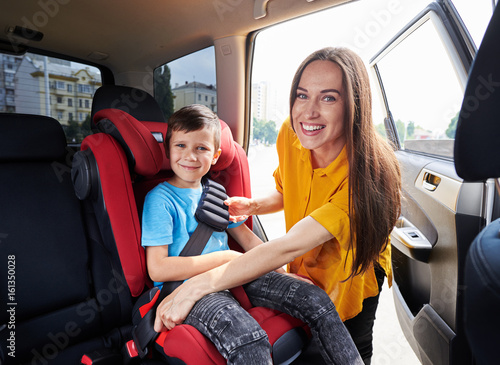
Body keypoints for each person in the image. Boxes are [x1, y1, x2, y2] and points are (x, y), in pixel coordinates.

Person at [154, 48, 402, 364]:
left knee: (352, 336)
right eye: (302, 95)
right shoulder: (293, 132)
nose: (308, 112)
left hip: (351, 267)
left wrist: (195, 287)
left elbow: (287, 247)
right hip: (306, 259)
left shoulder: (366, 178)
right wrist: (254, 206)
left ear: (355, 107)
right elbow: (287, 190)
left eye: (328, 98)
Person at [141, 104, 363, 365]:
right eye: (181, 146)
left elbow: (248, 239)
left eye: (201, 148)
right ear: (168, 150)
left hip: (235, 275)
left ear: (215, 155)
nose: (190, 156)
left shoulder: (215, 194)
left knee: (314, 298)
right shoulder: (160, 199)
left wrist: (281, 273)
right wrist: (225, 258)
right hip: (189, 288)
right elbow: (157, 269)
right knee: (249, 338)